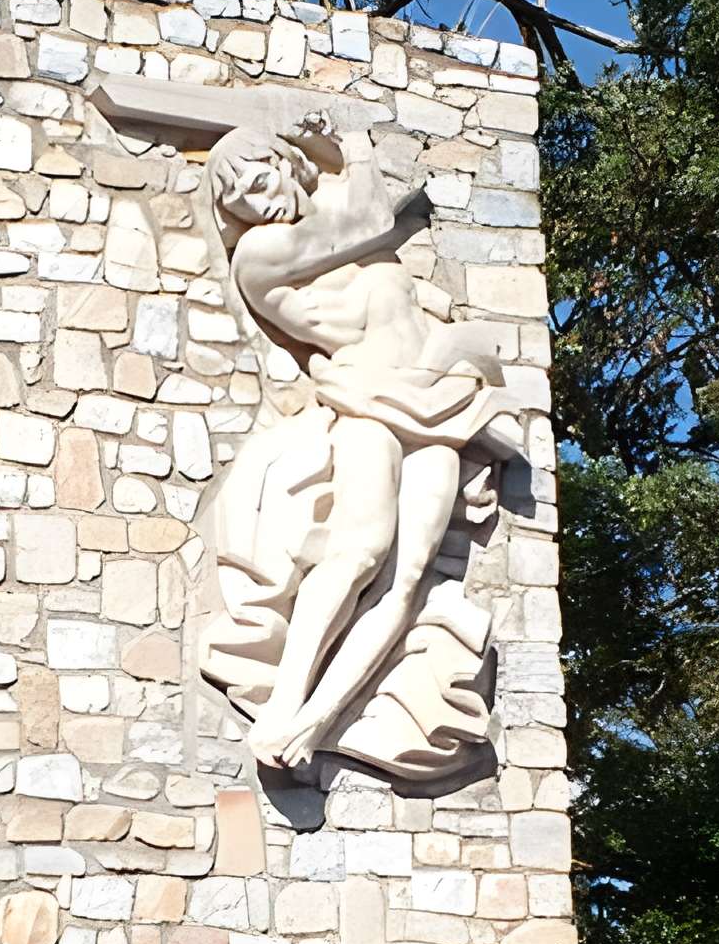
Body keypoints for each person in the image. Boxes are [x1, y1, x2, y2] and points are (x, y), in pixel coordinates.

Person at [204, 113, 522, 772]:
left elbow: (380, 202)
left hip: (436, 408)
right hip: (372, 403)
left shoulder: (324, 227)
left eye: (260, 181)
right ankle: (284, 702)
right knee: (358, 554)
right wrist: (347, 142)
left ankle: (316, 723)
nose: (257, 205)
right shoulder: (260, 255)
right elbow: (379, 216)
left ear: (283, 165)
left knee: (405, 581)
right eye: (240, 203)